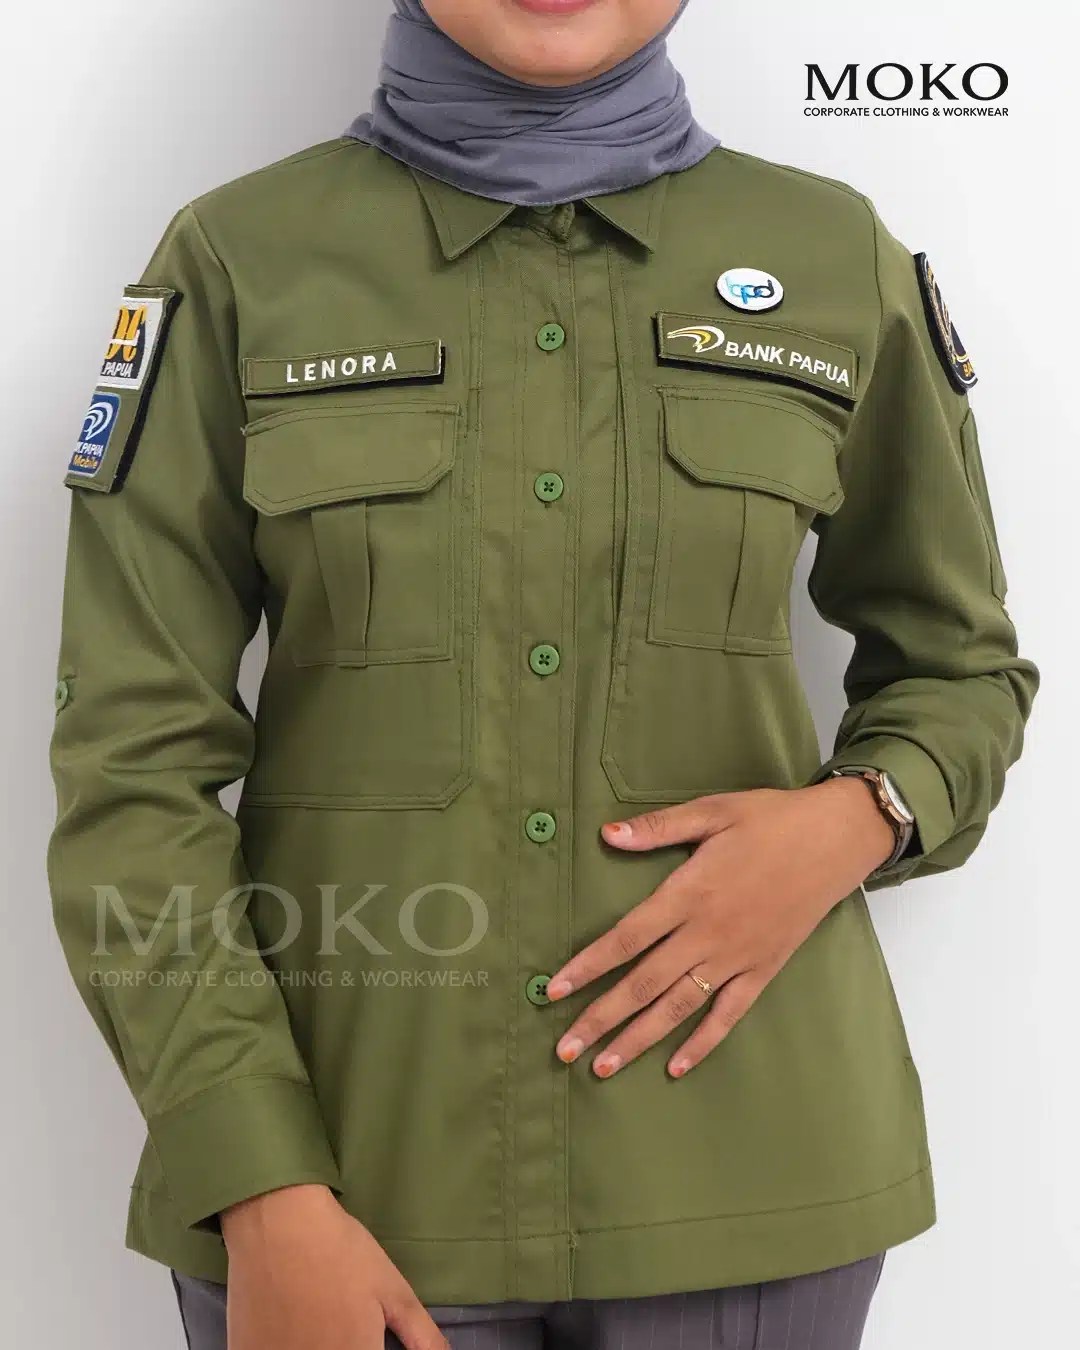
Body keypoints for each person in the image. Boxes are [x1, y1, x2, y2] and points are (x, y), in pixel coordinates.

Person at [47, 1, 1039, 1347]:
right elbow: (130, 771)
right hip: (348, 1201)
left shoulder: (833, 256)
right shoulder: (233, 265)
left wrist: (856, 820)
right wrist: (257, 1181)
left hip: (754, 1182)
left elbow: (962, 666)